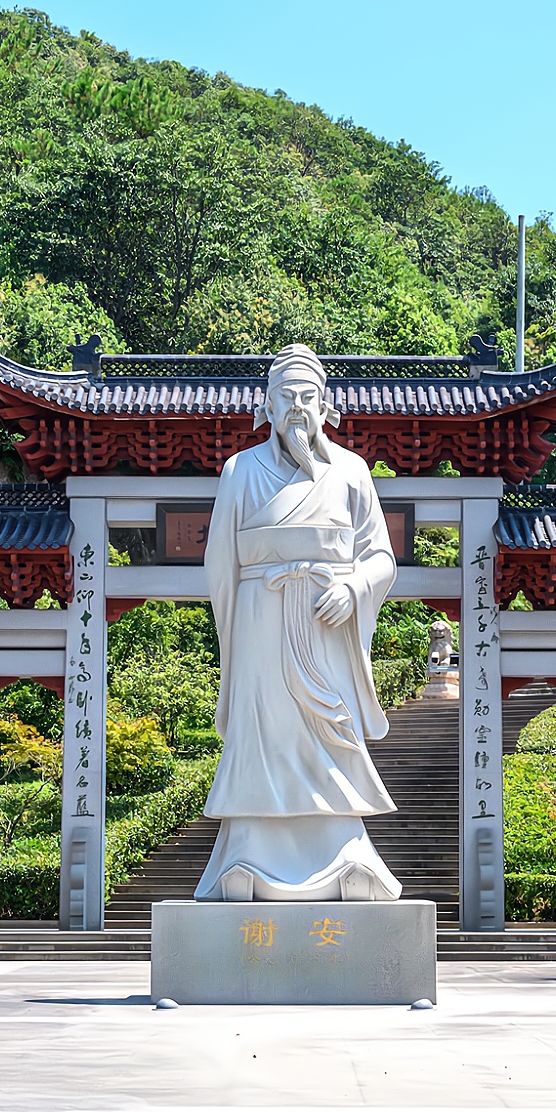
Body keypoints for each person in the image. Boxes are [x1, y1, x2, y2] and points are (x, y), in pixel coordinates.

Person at [195, 344, 402, 901]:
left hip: (327, 627)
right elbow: (220, 564)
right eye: (285, 396)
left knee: (332, 735)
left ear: (326, 405)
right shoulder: (240, 470)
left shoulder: (353, 472)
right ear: (265, 405)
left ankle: (347, 852)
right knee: (262, 734)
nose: (297, 408)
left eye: (308, 396)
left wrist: (354, 587)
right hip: (261, 626)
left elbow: (380, 556)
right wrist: (236, 643)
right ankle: (247, 853)